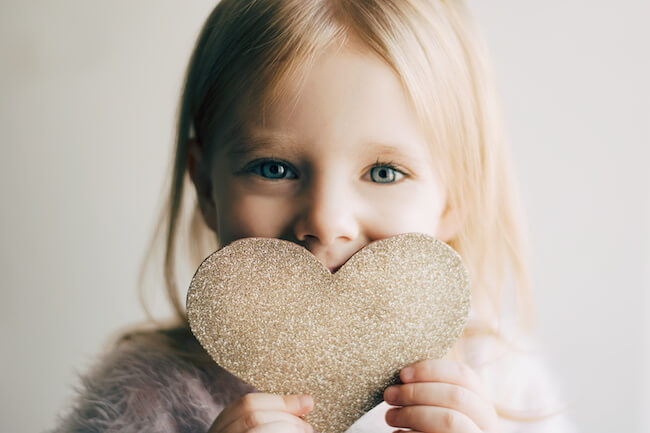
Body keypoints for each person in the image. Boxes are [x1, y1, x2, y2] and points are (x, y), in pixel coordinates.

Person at [49, 1, 578, 432]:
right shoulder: (144, 401)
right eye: (274, 167)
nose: (326, 222)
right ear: (205, 185)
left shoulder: (505, 387)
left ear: (454, 198)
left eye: (384, 172)